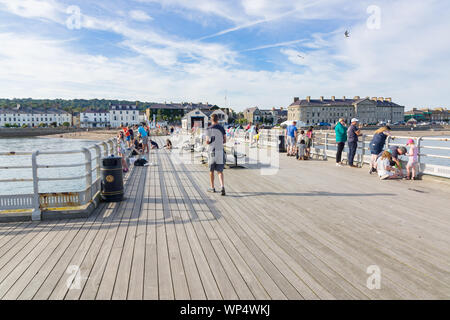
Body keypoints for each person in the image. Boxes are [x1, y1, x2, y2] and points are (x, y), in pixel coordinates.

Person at [206, 113, 226, 196]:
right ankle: (222, 186)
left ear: (211, 120)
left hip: (212, 151)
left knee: (211, 170)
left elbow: (207, 141)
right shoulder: (221, 128)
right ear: (218, 119)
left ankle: (212, 187)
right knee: (220, 171)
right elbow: (225, 140)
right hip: (220, 150)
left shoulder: (209, 129)